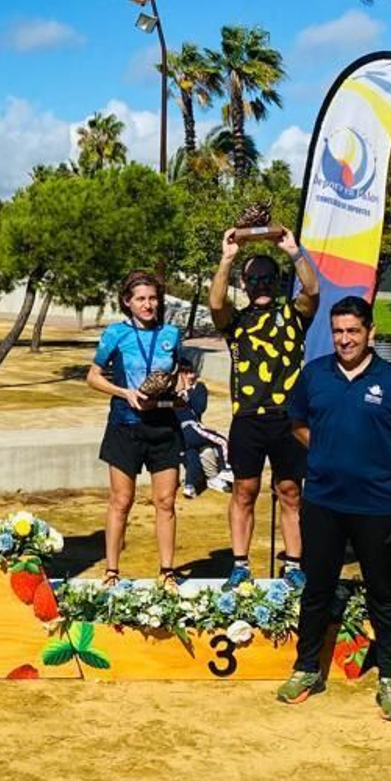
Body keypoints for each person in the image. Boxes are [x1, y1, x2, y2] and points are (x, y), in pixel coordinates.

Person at [276, 295, 391, 721]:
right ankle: (306, 668)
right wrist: (323, 452)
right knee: (317, 589)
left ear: (370, 333)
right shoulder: (314, 375)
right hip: (322, 501)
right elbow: (298, 423)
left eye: (353, 331)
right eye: (339, 331)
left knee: (384, 593)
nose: (345, 339)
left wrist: (384, 460)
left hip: (377, 505)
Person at [208, 227, 320, 587]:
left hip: (288, 419)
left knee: (290, 492)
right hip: (248, 420)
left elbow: (313, 291)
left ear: (277, 282)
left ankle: (294, 564)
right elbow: (214, 303)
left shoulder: (293, 315)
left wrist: (294, 252)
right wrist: (226, 259)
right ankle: (240, 564)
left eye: (268, 279)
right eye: (254, 279)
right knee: (245, 491)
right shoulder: (235, 321)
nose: (261, 285)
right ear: (244, 282)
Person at [86, 270, 185, 582]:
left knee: (166, 501)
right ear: (127, 302)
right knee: (121, 500)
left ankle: (167, 572)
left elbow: (181, 372)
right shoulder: (116, 333)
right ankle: (111, 571)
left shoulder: (171, 333)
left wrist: (182, 390)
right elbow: (93, 376)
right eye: (141, 299)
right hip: (125, 425)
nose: (148, 304)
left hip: (164, 426)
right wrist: (124, 393)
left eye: (153, 298)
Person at [175, 357, 233, 499]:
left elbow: (199, 408)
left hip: (192, 430)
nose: (189, 376)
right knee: (221, 441)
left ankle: (193, 485)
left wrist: (188, 391)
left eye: (190, 372)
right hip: (184, 430)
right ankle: (225, 469)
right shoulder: (173, 394)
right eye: (185, 373)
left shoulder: (199, 388)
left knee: (195, 453)